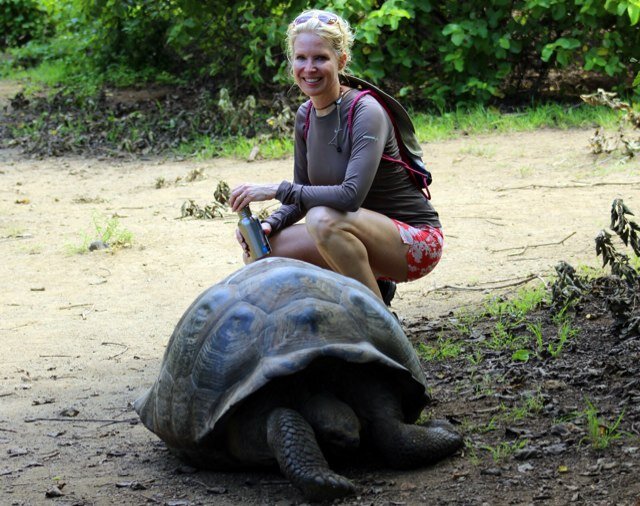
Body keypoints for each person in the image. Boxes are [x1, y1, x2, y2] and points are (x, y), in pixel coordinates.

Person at [229, 9, 442, 306]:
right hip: (353, 234)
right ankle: (357, 302)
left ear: (341, 61)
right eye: (301, 58)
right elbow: (302, 191)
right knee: (262, 249)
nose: (309, 68)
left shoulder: (366, 111)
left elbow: (350, 197)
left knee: (322, 219)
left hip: (414, 242)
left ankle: (378, 322)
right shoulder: (305, 115)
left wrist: (274, 189)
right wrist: (270, 224)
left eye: (320, 58)